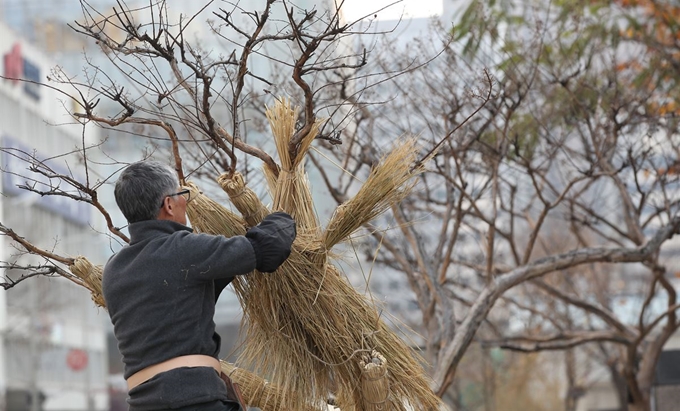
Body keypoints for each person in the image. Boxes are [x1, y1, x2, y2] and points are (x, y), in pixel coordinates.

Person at [102, 160, 296, 411]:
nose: (186, 202)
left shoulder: (113, 269)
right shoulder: (182, 249)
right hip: (195, 401)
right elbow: (269, 248)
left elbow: (182, 294)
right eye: (182, 195)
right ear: (169, 205)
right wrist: (286, 215)